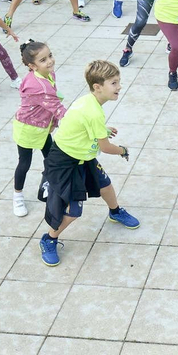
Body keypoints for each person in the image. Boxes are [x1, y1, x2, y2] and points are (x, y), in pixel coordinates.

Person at [38, 60, 138, 266]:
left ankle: (115, 212)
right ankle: (49, 239)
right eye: (114, 82)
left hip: (84, 157)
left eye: (118, 81)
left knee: (105, 185)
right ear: (97, 87)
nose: (119, 86)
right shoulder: (93, 112)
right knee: (73, 212)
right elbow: (106, 148)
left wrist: (102, 129)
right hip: (66, 162)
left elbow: (85, 125)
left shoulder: (89, 103)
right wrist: (123, 150)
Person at [13, 40, 65, 218]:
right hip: (28, 129)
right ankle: (17, 196)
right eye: (43, 60)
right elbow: (57, 108)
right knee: (24, 164)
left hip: (43, 128)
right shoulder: (37, 86)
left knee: (51, 159)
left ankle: (48, 185)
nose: (49, 61)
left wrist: (52, 123)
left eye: (50, 56)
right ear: (32, 66)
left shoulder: (49, 74)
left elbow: (53, 103)